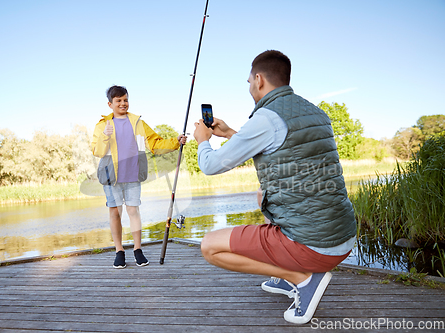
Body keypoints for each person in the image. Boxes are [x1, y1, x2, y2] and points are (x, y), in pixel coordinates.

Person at [193, 50, 356, 324]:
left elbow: (210, 165)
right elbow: (283, 148)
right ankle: (286, 273)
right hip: (343, 237)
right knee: (261, 195)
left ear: (259, 79)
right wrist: (232, 133)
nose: (249, 88)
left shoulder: (266, 117)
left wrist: (202, 140)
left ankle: (301, 278)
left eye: (248, 82)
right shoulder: (314, 112)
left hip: (315, 246)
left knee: (210, 246)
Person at [91, 85, 187, 269]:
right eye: (118, 101)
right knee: (115, 213)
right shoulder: (102, 125)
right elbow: (97, 151)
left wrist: (176, 141)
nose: (123, 103)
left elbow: (156, 144)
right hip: (111, 176)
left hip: (133, 174)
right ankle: (119, 251)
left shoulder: (138, 123)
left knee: (133, 211)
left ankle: (137, 250)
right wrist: (105, 136)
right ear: (110, 104)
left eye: (125, 99)